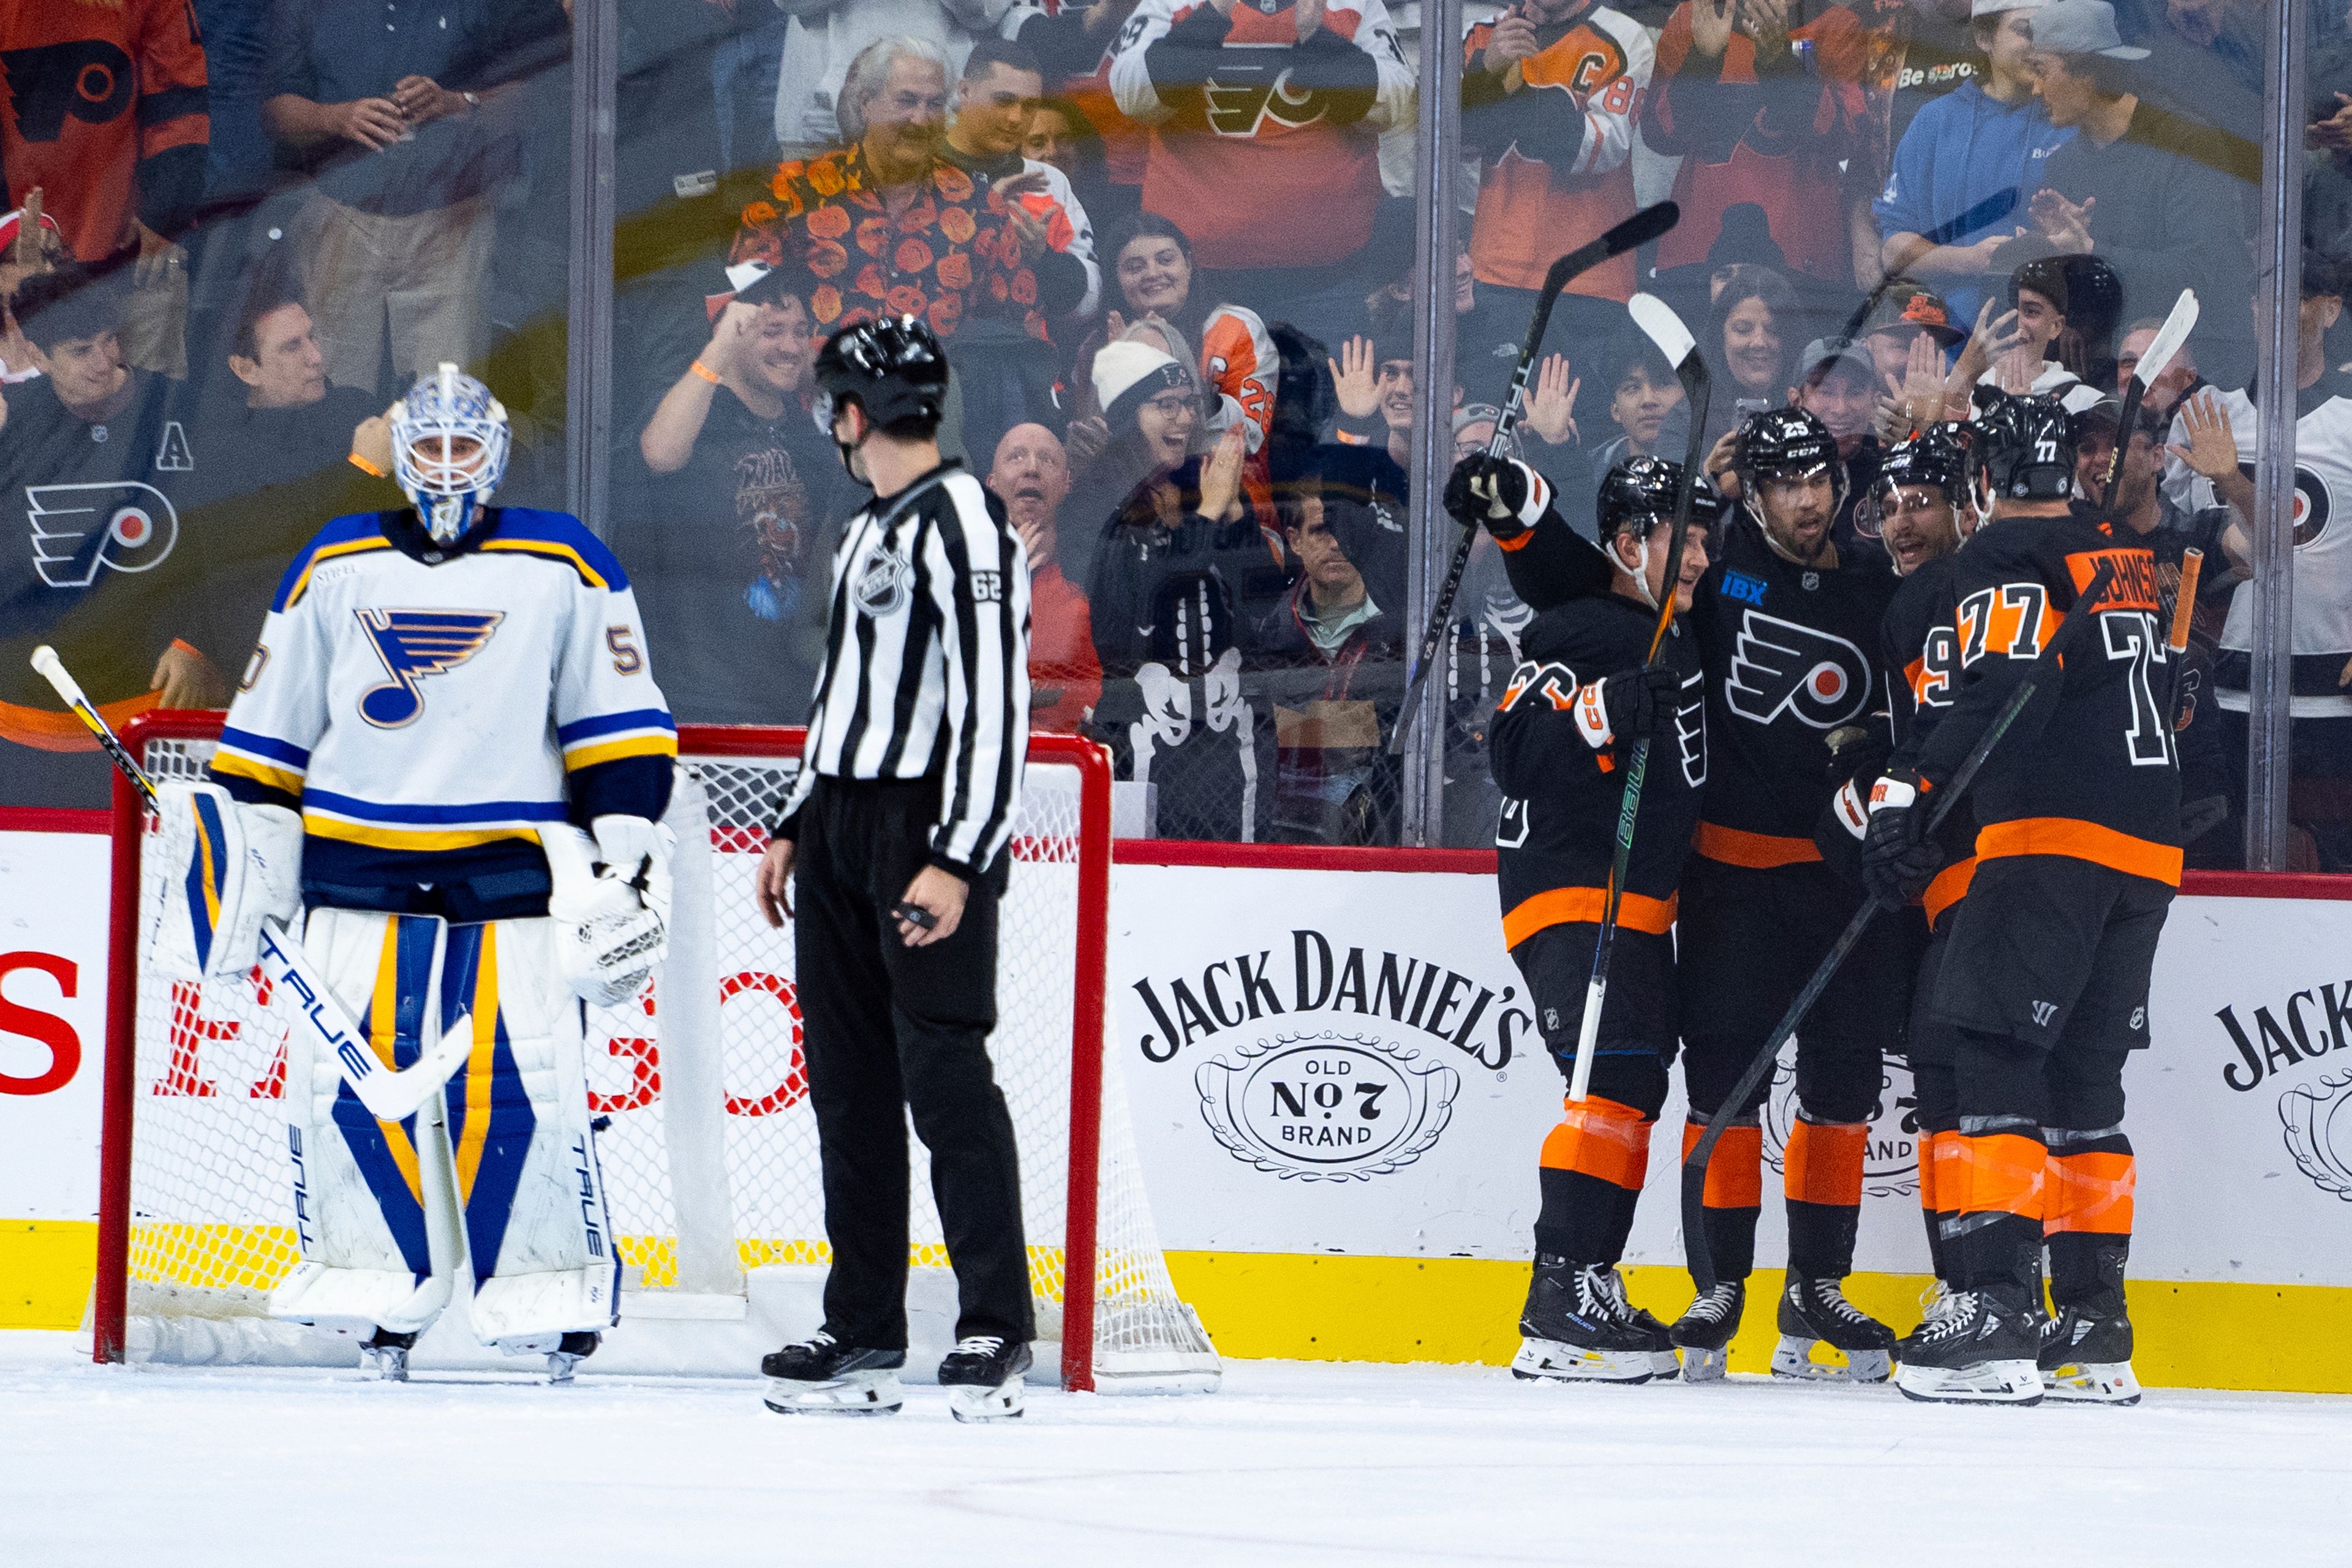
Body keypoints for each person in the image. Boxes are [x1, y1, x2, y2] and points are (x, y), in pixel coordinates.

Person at [188, 362, 679, 1384]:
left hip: (514, 881)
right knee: (339, 1091)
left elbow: (618, 726)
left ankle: (548, 1288)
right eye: (430, 446)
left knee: (528, 1086)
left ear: (494, 451)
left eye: (464, 447)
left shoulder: (564, 562)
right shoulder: (337, 561)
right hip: (359, 876)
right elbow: (265, 742)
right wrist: (248, 868)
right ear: (401, 451)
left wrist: (621, 860)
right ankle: (377, 1282)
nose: (447, 467)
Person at [1866, 390, 2177, 1406]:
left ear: (1987, 481)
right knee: (2088, 1085)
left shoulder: (2002, 555)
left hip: (2050, 837)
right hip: (2145, 848)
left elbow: (2002, 688)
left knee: (1994, 1052)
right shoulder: (2119, 547)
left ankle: (1994, 1308)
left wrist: (1912, 790)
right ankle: (2092, 1323)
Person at [753, 316, 1038, 1422]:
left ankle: (992, 1325)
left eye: (836, 404)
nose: (832, 424)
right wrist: (795, 817)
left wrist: (958, 858)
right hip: (841, 827)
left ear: (855, 413)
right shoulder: (869, 526)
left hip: (924, 831)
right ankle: (864, 1322)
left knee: (946, 1080)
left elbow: (994, 704)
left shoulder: (964, 518)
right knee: (850, 1086)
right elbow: (839, 698)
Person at [1454, 454, 1712, 1383]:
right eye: (1679, 538)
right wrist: (1605, 713)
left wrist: (1525, 519)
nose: (1698, 557)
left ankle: (1587, 1283)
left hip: (1634, 906)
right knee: (1604, 1088)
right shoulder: (1591, 631)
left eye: (1705, 537)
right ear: (1630, 545)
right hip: (1574, 897)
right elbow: (1517, 749)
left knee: (1630, 1087)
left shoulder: (1654, 627)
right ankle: (1560, 1296)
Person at [0, 262, 217, 807]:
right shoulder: (13, 425)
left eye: (109, 342)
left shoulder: (183, 409)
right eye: (80, 351)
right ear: (36, 355)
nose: (104, 362)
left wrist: (201, 639)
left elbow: (234, 536)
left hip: (147, 705)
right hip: (26, 714)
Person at [264, 0, 559, 394]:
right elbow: (272, 110)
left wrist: (458, 102)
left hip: (453, 221)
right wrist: (336, 117)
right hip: (343, 217)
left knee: (448, 400)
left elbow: (535, 89)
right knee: (326, 391)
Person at [731, 37, 1086, 353]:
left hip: (935, 409)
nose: (920, 119)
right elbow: (738, 314)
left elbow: (1018, 329)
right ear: (866, 103)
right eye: (906, 101)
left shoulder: (979, 207)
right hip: (813, 401)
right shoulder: (790, 191)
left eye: (934, 105)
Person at [1107, 0, 1414, 340]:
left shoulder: (1352, 4)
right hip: (1203, 281)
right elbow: (1132, 95)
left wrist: (1318, 38)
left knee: (1324, 394)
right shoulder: (1175, 3)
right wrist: (1212, 17)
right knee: (1201, 395)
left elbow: (1392, 103)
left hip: (1327, 278)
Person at [1080, 339, 1272, 842]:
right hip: (1140, 737)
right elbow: (1140, 601)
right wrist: (1211, 515)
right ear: (1126, 418)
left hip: (1231, 740)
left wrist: (1235, 522)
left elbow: (1265, 605)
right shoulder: (1099, 502)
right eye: (1166, 405)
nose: (1184, 418)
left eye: (1188, 403)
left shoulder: (1203, 486)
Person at [628, 270, 840, 723]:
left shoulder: (809, 433)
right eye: (772, 331)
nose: (790, 345)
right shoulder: (699, 408)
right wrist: (720, 347)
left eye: (800, 332)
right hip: (704, 694)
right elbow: (661, 453)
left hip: (795, 693)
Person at [2018, 0, 2259, 385]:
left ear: (2088, 73)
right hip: (2100, 382)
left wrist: (2094, 253)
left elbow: (2209, 276)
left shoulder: (2188, 144)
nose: (2035, 87)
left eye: (2041, 71)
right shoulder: (2063, 165)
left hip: (2195, 379)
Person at [1460, 0, 1654, 349]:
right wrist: (1484, 74)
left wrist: (1512, 95)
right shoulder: (1481, 36)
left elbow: (1602, 148)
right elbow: (1451, 145)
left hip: (1590, 280)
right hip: (1493, 270)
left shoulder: (1624, 36)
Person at [1642, 0, 1873, 290]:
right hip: (1696, 253)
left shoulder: (1836, 24)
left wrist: (1780, 61)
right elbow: (1659, 134)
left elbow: (1847, 139)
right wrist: (1702, 59)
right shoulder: (1695, 13)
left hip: (1800, 255)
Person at [1874, 0, 2073, 331]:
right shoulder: (1936, 121)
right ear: (1984, 37)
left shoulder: (2068, 119)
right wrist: (1970, 261)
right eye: (2025, 31)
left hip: (2048, 338)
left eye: (2049, 31)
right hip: (1951, 337)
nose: (2039, 45)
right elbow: (1893, 249)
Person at [1256, 471, 1406, 844]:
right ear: (1295, 542)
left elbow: (1410, 738)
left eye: (1349, 531)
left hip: (1385, 841)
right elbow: (1261, 741)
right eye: (1322, 530)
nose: (1337, 544)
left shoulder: (1407, 628)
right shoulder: (1264, 633)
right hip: (1283, 841)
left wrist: (1300, 724)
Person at [986, 421, 1103, 733]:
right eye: (1017, 457)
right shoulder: (960, 576)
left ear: (1067, 482)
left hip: (1071, 761)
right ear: (992, 483)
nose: (1032, 469)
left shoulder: (1093, 577)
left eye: (1047, 459)